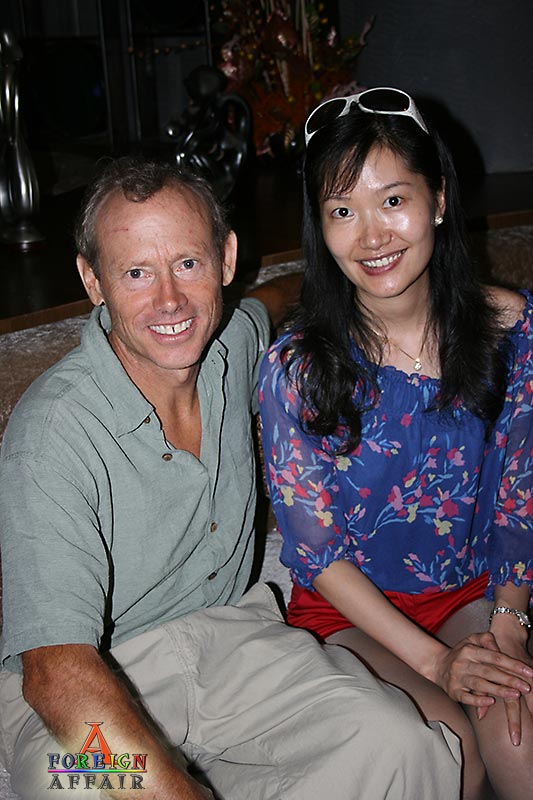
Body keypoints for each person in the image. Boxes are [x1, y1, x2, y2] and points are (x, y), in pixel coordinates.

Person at [0, 157, 461, 800]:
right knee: (66, 787)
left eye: (188, 263)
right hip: (89, 689)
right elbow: (55, 670)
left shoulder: (233, 343)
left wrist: (362, 283)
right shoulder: (52, 431)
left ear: (226, 259)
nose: (169, 300)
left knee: (405, 746)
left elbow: (272, 300)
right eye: (136, 273)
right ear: (92, 280)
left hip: (236, 644)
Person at [258, 87, 533, 800]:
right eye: (342, 211)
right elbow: (315, 553)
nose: (371, 236)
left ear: (437, 199)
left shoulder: (510, 331)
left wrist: (508, 624)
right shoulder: (297, 368)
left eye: (392, 200)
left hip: (472, 591)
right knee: (448, 753)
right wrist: (438, 664)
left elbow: (519, 493)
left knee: (515, 734)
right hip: (352, 612)